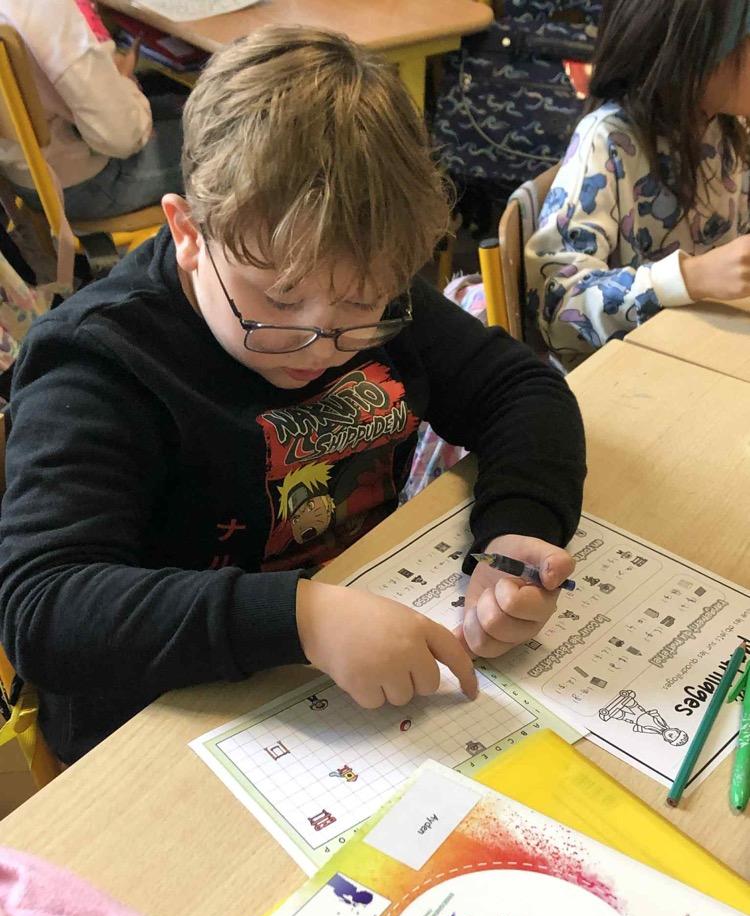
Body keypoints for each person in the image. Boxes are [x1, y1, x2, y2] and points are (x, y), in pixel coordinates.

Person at [0, 28, 586, 764]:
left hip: (344, 673)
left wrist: (518, 527)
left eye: (362, 306)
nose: (321, 342)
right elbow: (45, 607)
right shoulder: (99, 362)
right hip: (164, 722)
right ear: (188, 232)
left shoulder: (351, 268)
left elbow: (520, 388)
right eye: (278, 301)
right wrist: (301, 618)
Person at [525, 0, 750, 370]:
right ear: (696, 51)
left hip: (705, 355)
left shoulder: (728, 129)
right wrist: (691, 277)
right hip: (625, 376)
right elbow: (557, 309)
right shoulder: (606, 142)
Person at [0, 0, 182, 221]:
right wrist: (124, 82)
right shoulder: (53, 10)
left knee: (183, 105)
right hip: (86, 184)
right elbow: (121, 139)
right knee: (220, 141)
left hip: (23, 174)